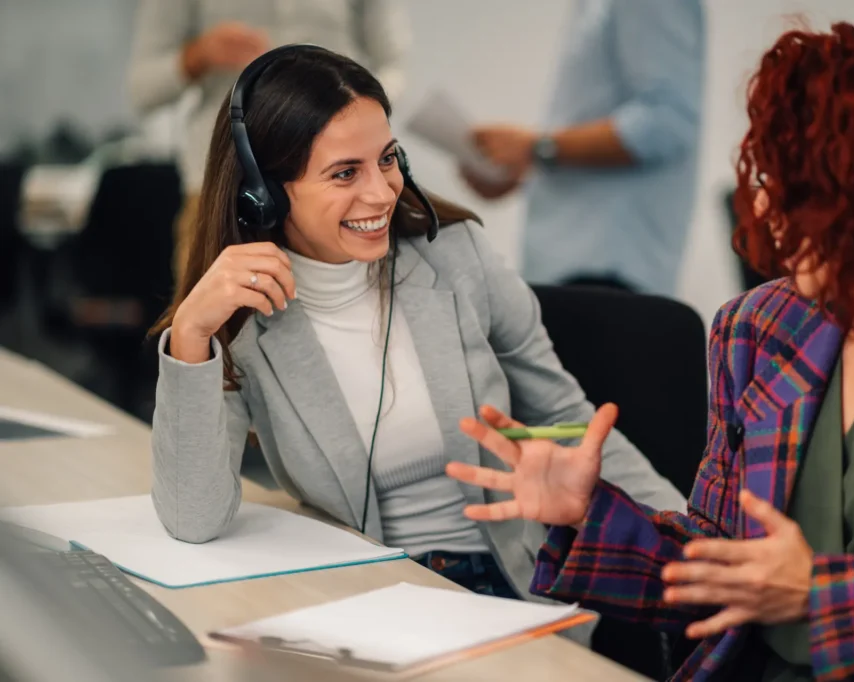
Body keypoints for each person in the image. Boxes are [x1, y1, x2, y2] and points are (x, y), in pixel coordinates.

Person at [449, 15, 854, 681]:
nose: (766, 204)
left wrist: (821, 600)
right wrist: (590, 516)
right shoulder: (756, 328)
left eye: (803, 188)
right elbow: (720, 565)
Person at [148, 45, 685, 647]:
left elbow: (569, 424)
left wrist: (692, 538)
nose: (381, 194)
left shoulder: (457, 257)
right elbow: (193, 518)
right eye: (345, 173)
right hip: (366, 598)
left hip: (509, 584)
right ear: (263, 193)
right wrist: (192, 337)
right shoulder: (244, 317)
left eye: (387, 159)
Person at [127, 0, 410, 282]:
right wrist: (197, 56)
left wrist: (355, 126)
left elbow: (394, 63)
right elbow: (143, 89)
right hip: (223, 190)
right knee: (214, 315)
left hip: (344, 186)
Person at [461, 0, 705, 297]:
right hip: (568, 272)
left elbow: (667, 121)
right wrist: (521, 168)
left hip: (606, 275)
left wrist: (535, 147)